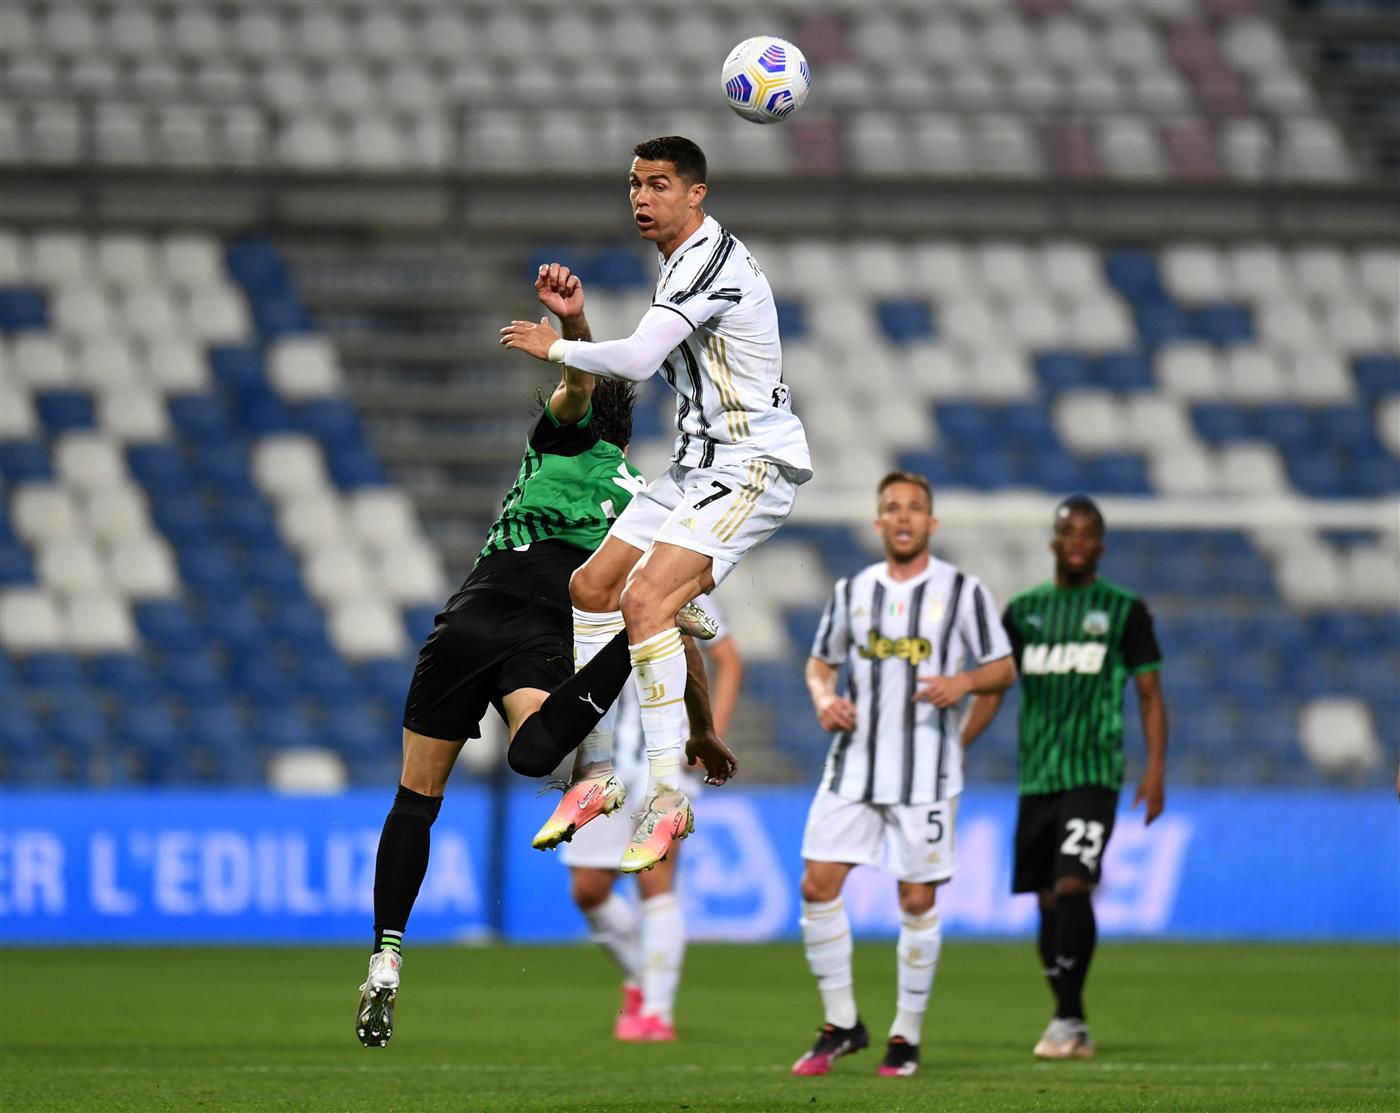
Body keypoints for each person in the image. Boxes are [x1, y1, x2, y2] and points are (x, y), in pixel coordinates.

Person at [354, 313, 736, 1049]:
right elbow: (677, 639)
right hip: (548, 619)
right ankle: (598, 726)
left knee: (415, 797)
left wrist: (571, 325)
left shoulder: (558, 440)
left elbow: (574, 382)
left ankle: (387, 953)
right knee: (533, 745)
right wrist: (701, 727)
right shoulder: (650, 504)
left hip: (474, 608)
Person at [500, 134, 811, 874]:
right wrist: (578, 327)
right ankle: (599, 773)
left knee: (644, 601)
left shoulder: (710, 262)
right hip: (693, 465)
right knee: (591, 586)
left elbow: (636, 361)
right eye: (635, 184)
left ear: (697, 194)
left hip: (749, 467)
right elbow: (640, 358)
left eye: (660, 184)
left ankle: (668, 796)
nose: (642, 197)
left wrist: (557, 349)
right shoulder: (677, 260)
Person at [792, 472, 1015, 1079]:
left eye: (915, 508)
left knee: (916, 899)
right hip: (853, 765)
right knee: (816, 886)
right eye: (892, 508)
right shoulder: (852, 591)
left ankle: (905, 1035)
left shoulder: (963, 592)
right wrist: (822, 698)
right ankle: (842, 1023)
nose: (904, 517)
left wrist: (962, 683)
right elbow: (819, 664)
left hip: (927, 774)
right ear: (878, 522)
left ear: (932, 523)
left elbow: (1002, 669)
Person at [962, 494, 1168, 1062]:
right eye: (1068, 533)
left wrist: (1154, 769)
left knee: (1076, 882)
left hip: (1094, 771)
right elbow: (997, 686)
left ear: (1100, 545)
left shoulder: (1126, 610)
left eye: (1088, 534)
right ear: (1054, 542)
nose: (1077, 542)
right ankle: (1067, 1016)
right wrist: (959, 743)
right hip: (1037, 776)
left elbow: (1149, 694)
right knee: (1048, 899)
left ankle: (1070, 1017)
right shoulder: (1024, 612)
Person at [562, 594, 744, 1043]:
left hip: (663, 762)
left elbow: (728, 659)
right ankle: (645, 980)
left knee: (654, 883)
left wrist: (707, 732)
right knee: (589, 891)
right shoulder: (595, 584)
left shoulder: (679, 584)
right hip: (603, 765)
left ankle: (657, 1012)